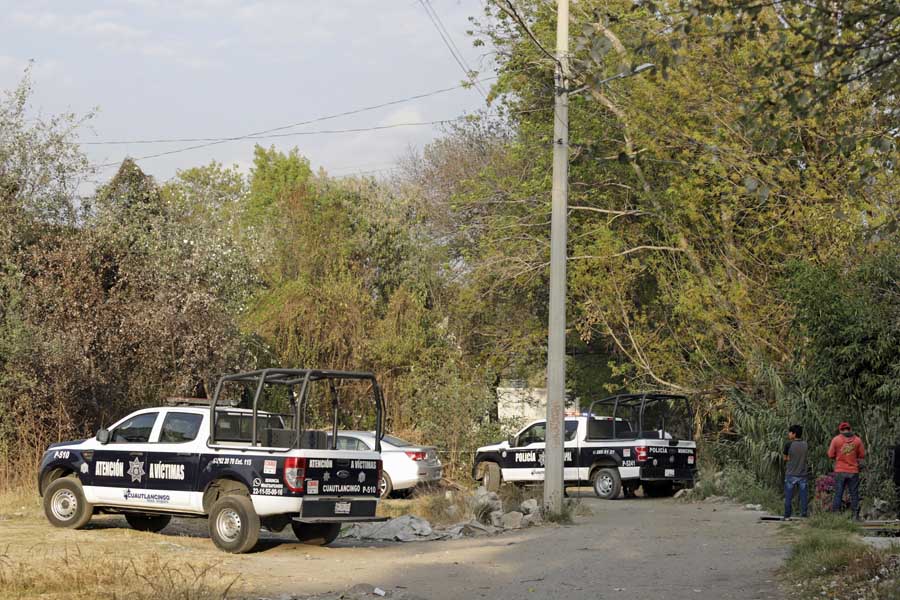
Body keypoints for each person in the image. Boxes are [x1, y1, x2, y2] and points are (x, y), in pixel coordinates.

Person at [828, 422, 866, 520]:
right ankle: (855, 516)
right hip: (853, 471)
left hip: (840, 470)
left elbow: (830, 455)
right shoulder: (857, 440)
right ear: (850, 429)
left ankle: (835, 516)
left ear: (840, 430)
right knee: (854, 494)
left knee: (838, 493)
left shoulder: (836, 440)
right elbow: (862, 455)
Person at [783, 424, 809, 519]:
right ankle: (804, 514)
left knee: (789, 496)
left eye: (790, 432)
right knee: (803, 497)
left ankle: (787, 515)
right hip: (803, 474)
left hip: (791, 474)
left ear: (794, 434)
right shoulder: (805, 444)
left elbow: (785, 458)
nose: (789, 434)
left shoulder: (788, 444)